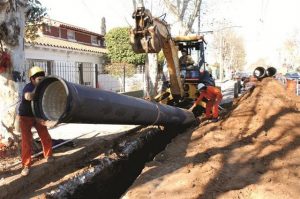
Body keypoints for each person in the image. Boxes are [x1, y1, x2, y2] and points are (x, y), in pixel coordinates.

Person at [18, 66, 53, 176]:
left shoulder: (43, 87)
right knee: (27, 141)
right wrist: (36, 93)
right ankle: (26, 165)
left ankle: (49, 156)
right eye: (39, 79)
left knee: (45, 136)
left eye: (43, 79)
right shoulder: (28, 87)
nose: (41, 81)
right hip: (25, 117)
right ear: (32, 79)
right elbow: (28, 96)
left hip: (37, 116)